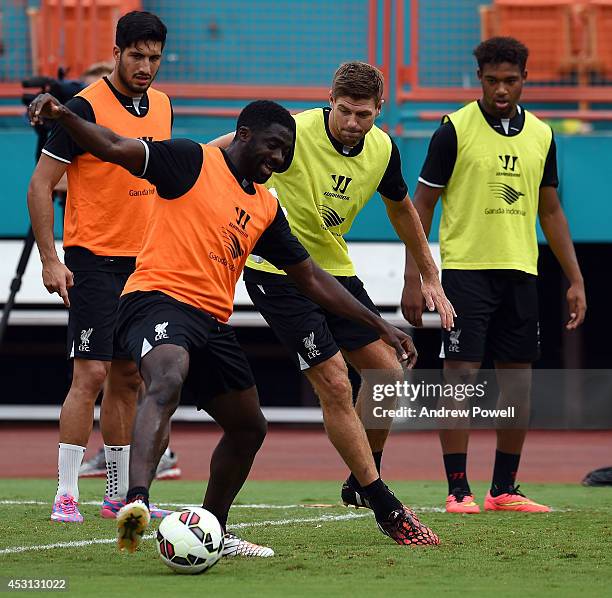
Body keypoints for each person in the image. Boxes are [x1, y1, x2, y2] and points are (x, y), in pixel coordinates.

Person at [29, 96, 441, 553]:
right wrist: (65, 117)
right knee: (166, 377)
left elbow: (311, 278)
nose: (278, 159)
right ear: (243, 134)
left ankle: (214, 530)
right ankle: (136, 501)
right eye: (272, 146)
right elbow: (112, 145)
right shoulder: (190, 160)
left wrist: (379, 324)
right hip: (155, 301)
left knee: (249, 428)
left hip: (211, 320)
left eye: (286, 152)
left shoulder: (266, 207)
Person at [209, 61, 455, 511]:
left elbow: (403, 211)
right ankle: (378, 492)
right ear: (330, 100)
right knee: (337, 383)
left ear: (380, 109)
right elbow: (218, 152)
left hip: (333, 269)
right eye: (344, 111)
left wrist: (430, 275)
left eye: (364, 115)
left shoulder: (382, 149)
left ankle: (363, 477)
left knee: (387, 375)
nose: (351, 123)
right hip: (276, 270)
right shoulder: (295, 130)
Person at [402, 37, 586, 514]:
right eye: (491, 80)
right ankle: (458, 490)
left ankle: (503, 489)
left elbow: (551, 212)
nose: (501, 89)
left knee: (517, 386)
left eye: (510, 80)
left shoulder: (543, 135)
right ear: (479, 79)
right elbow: (419, 207)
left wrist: (575, 278)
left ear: (524, 79)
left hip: (521, 273)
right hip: (465, 273)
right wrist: (417, 277)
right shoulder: (454, 130)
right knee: (459, 377)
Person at [27, 11, 173, 523]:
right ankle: (66, 493)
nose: (145, 66)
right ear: (116, 53)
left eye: (154, 58)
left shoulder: (162, 105)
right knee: (89, 373)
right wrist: (51, 259)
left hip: (146, 264)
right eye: (137, 55)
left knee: (128, 377)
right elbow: (40, 184)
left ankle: (116, 492)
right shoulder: (81, 107)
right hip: (92, 259)